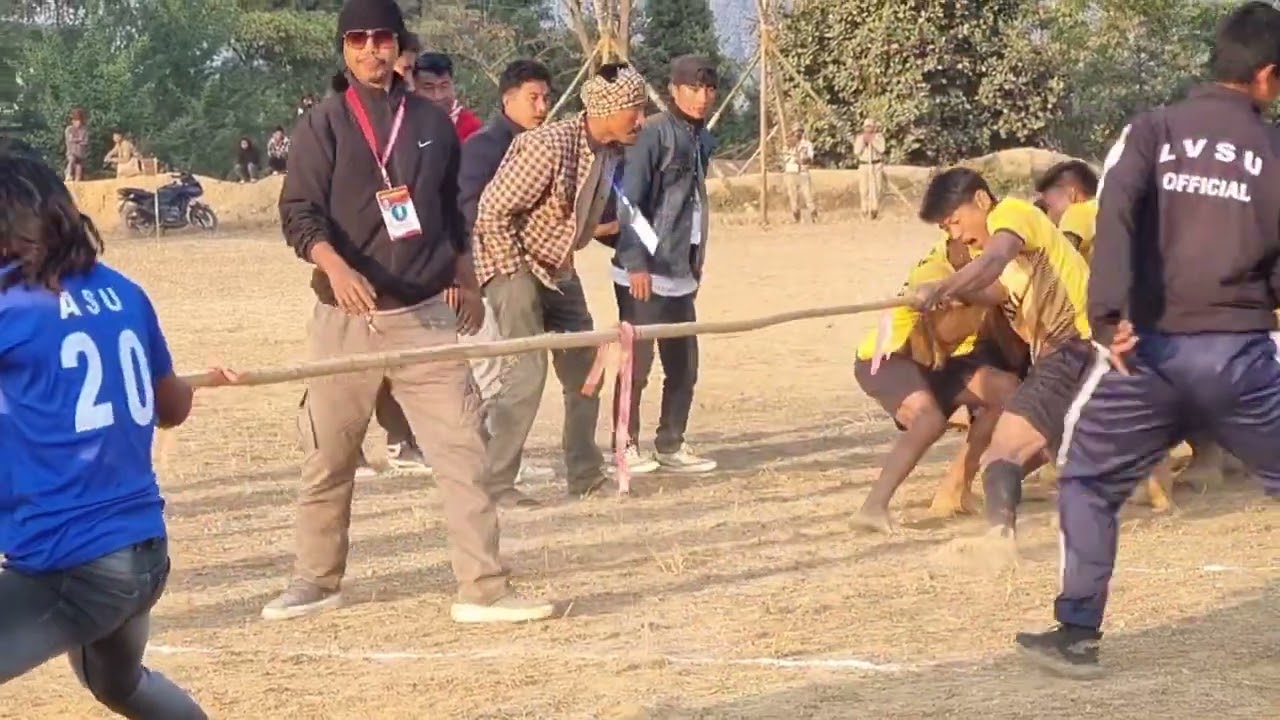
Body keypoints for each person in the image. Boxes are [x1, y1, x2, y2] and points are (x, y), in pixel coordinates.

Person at [1016, 2, 1280, 677]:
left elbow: (1114, 215)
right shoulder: (1274, 150)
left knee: (1086, 480)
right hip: (1241, 356)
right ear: (1266, 76)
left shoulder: (1151, 130)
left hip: (1145, 355)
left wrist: (1109, 317)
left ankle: (1077, 634)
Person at [269, 0, 553, 624]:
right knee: (328, 457)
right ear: (344, 48)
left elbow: (453, 211)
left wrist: (466, 280)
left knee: (464, 453)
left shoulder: (432, 121)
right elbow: (298, 213)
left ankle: (484, 588)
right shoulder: (321, 124)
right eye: (358, 39)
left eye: (382, 38)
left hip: (425, 317)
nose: (371, 49)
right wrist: (335, 269)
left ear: (399, 47)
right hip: (346, 320)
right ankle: (316, 580)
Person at [0, 152, 207, 718]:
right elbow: (172, 406)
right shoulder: (123, 291)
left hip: (72, 563)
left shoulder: (9, 304)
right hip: (143, 550)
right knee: (120, 685)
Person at [363, 59, 561, 484]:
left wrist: (458, 272)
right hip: (399, 266)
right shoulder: (389, 136)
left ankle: (487, 459)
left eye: (444, 86)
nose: (437, 96)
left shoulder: (468, 132)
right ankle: (402, 446)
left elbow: (462, 213)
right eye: (427, 87)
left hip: (466, 268)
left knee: (482, 368)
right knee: (383, 365)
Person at [473, 62, 648, 508]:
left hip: (558, 269)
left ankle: (585, 476)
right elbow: (491, 211)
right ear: (606, 110)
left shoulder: (610, 152)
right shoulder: (547, 145)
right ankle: (495, 484)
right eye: (635, 109)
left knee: (586, 370)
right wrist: (513, 274)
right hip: (513, 266)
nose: (642, 119)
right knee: (526, 373)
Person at [911, 168, 1094, 546]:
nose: (956, 235)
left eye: (955, 221)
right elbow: (996, 289)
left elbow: (995, 260)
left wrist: (942, 286)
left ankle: (999, 542)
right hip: (1071, 352)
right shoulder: (1002, 250)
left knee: (1001, 455)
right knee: (1051, 454)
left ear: (981, 200)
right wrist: (953, 295)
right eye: (946, 229)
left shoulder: (1010, 213)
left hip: (1072, 347)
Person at [851, 236, 1025, 533]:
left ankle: (957, 489)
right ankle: (872, 507)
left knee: (1008, 392)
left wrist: (968, 292)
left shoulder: (982, 264)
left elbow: (996, 293)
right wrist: (945, 293)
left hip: (940, 363)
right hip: (889, 358)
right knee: (928, 419)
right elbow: (942, 317)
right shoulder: (932, 270)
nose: (981, 259)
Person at [611, 55, 720, 475]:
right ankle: (624, 447)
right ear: (674, 90)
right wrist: (636, 262)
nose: (701, 97)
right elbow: (629, 201)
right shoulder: (654, 134)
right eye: (693, 88)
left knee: (684, 366)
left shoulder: (701, 139)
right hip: (643, 272)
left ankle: (671, 444)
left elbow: (693, 207)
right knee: (636, 367)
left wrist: (695, 261)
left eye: (708, 89)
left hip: (680, 271)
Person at [413, 52, 483, 142]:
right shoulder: (402, 123)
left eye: (444, 86)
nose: (438, 96)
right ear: (414, 88)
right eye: (429, 88)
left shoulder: (470, 127)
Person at [1034, 159, 1098, 256]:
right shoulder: (1104, 210)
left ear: (1072, 194)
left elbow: (1060, 259)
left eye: (1048, 206)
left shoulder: (1078, 212)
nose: (1048, 215)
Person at [783, 127, 817, 223]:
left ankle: (814, 216)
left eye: (799, 131)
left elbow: (810, 158)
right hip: (791, 172)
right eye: (795, 131)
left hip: (803, 172)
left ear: (802, 132)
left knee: (808, 195)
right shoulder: (788, 144)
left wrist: (802, 159)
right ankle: (796, 217)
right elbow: (785, 158)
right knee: (793, 197)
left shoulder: (807, 144)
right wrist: (792, 151)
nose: (797, 133)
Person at [854, 118, 886, 219]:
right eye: (866, 127)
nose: (868, 129)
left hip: (876, 165)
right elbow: (856, 152)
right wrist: (864, 142)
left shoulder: (879, 137)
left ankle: (874, 210)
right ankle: (864, 210)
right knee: (864, 189)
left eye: (870, 126)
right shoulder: (860, 138)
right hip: (864, 165)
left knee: (876, 188)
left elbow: (882, 149)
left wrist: (873, 141)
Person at [64, 108, 88, 182]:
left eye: (80, 121)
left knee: (79, 169)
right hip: (71, 152)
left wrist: (77, 140)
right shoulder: (69, 129)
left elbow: (85, 141)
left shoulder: (84, 130)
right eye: (76, 121)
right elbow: (70, 139)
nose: (78, 123)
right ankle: (68, 174)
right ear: (73, 121)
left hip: (80, 154)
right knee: (72, 160)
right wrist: (79, 139)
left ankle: (77, 182)